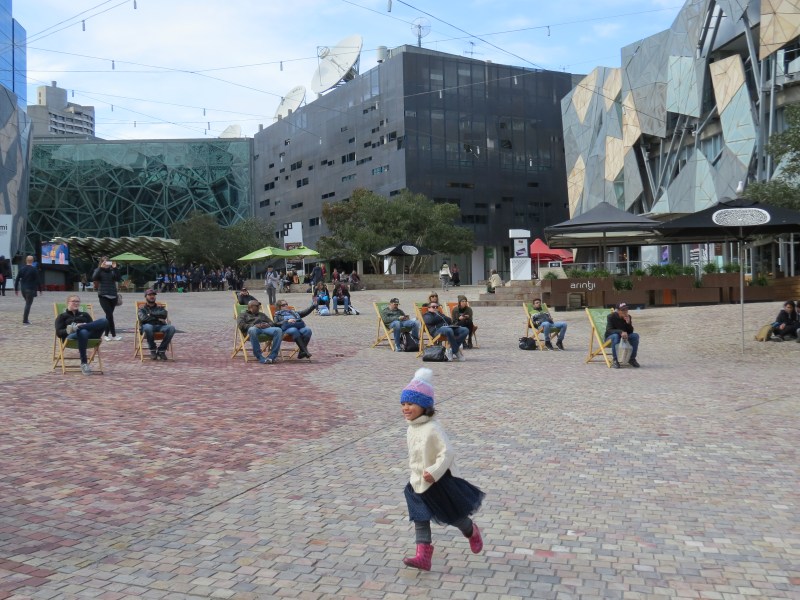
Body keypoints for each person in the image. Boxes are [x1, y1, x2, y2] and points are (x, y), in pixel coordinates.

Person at [400, 368, 484, 571]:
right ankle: (423, 556)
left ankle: (471, 531)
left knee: (453, 516)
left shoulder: (433, 428)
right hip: (417, 482)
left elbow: (447, 453)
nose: (406, 408)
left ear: (424, 405)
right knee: (420, 517)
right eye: (403, 404)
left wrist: (435, 471)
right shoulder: (411, 427)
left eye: (410, 404)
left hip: (437, 483)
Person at [54, 295, 108, 375]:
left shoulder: (85, 314)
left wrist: (81, 325)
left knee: (104, 320)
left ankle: (79, 327)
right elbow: (58, 333)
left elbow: (93, 326)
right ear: (68, 303)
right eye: (74, 301)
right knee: (82, 332)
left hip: (89, 335)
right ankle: (84, 363)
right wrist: (69, 330)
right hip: (71, 337)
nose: (76, 303)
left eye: (78, 301)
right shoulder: (62, 316)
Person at [238, 299, 282, 364]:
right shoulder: (243, 315)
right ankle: (259, 356)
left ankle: (272, 356)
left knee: (278, 330)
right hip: (253, 330)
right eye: (257, 306)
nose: (259, 307)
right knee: (252, 329)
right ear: (251, 307)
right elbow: (241, 325)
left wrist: (268, 324)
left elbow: (271, 322)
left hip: (265, 329)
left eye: (259, 305)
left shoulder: (262, 314)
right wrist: (254, 325)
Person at [137, 289, 176, 360]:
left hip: (160, 326)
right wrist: (157, 318)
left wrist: (150, 314)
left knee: (171, 328)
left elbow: (164, 314)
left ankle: (161, 350)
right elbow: (143, 319)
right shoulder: (142, 309)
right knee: (149, 327)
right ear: (145, 297)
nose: (152, 296)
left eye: (153, 295)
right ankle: (153, 350)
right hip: (147, 327)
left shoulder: (160, 307)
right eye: (150, 295)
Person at [91, 256, 121, 341]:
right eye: (105, 262)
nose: (107, 263)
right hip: (103, 296)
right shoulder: (98, 270)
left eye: (108, 262)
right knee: (110, 315)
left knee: (109, 316)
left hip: (113, 296)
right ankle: (114, 335)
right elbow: (94, 278)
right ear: (101, 262)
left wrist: (115, 268)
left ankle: (106, 335)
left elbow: (118, 278)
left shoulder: (112, 271)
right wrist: (101, 268)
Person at [605, 302, 640, 368]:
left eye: (626, 309)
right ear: (618, 311)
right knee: (616, 336)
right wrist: (621, 332)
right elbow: (609, 330)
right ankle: (615, 360)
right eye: (622, 310)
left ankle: (632, 359)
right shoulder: (611, 316)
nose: (625, 311)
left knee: (635, 336)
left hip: (624, 337)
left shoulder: (628, 317)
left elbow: (630, 331)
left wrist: (628, 323)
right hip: (610, 338)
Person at [14, 255, 40, 325]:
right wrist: (40, 290)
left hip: (23, 290)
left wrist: (16, 289)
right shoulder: (34, 269)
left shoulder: (22, 269)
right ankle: (25, 320)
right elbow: (38, 280)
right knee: (28, 304)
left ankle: (26, 319)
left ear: (26, 260)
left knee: (27, 303)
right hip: (30, 289)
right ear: (33, 261)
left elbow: (17, 279)